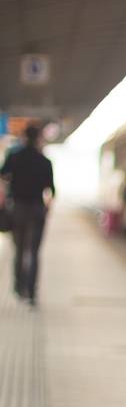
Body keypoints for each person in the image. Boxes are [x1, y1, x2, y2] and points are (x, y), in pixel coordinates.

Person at [0, 123, 55, 306]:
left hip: (18, 209)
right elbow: (51, 191)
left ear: (24, 137)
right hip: (37, 209)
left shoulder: (14, 158)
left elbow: (2, 175)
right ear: (39, 138)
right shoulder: (45, 161)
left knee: (19, 250)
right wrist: (47, 209)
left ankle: (18, 288)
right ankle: (32, 292)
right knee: (34, 251)